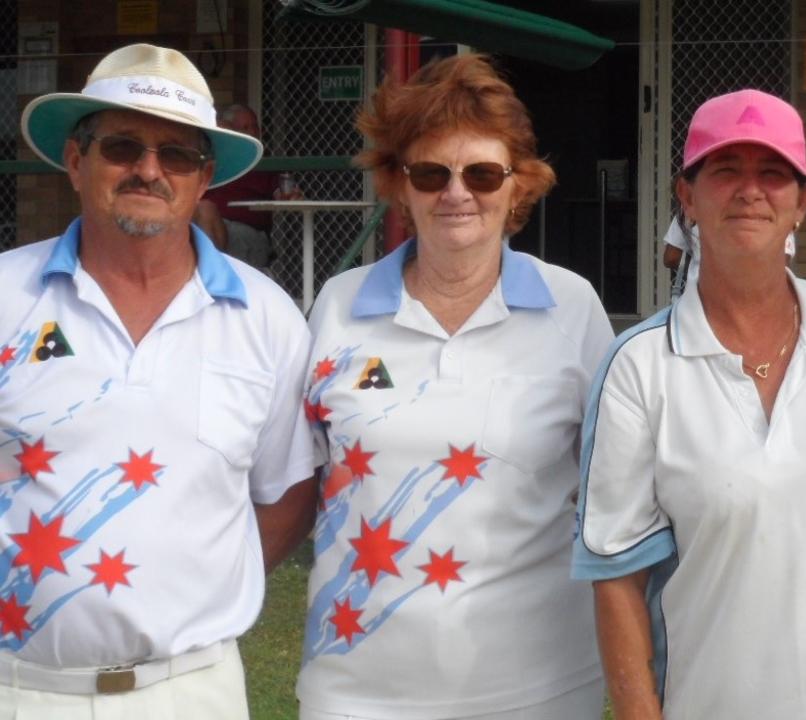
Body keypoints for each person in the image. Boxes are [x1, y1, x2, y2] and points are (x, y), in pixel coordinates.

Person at [573, 89, 806, 719]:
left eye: (774, 174)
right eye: (725, 170)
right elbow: (617, 579)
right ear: (687, 197)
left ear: (802, 203)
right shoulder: (639, 367)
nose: (750, 190)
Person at [0, 44, 316, 718]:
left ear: (204, 180)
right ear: (76, 161)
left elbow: (286, 493)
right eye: (123, 146)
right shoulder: (4, 296)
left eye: (176, 155)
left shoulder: (265, 317)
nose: (149, 170)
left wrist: (191, 588)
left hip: (193, 690)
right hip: (21, 689)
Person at [296, 54, 613, 720]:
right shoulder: (338, 304)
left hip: (539, 688)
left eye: (484, 173)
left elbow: (619, 490)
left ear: (518, 184)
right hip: (356, 690)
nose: (457, 192)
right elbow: (297, 474)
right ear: (400, 184)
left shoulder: (572, 308)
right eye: (431, 173)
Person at [193, 104, 303, 269]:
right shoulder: (214, 161)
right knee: (203, 210)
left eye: (254, 127)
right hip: (206, 224)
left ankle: (210, 277)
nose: (252, 132)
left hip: (247, 234)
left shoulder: (265, 164)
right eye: (244, 127)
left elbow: (282, 192)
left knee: (206, 214)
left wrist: (289, 195)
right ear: (230, 132)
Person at [661, 214, 795, 295]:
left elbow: (671, 258)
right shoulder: (774, 215)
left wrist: (698, 254)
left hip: (699, 301)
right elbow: (781, 264)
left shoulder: (691, 210)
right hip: (758, 306)